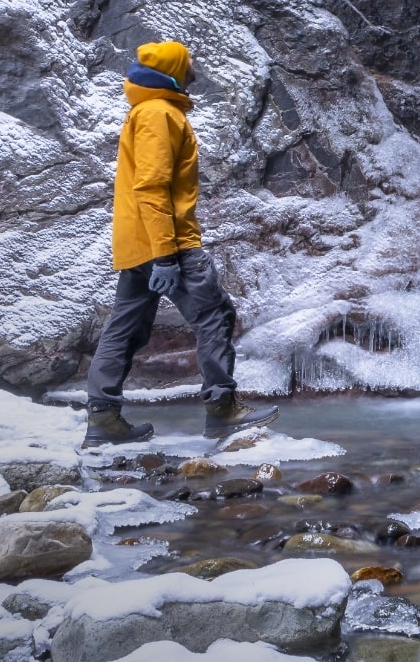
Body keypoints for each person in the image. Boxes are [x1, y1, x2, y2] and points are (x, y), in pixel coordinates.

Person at [83, 40, 279, 448]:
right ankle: (222, 411)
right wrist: (167, 258)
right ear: (173, 70)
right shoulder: (159, 113)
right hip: (168, 242)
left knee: (124, 327)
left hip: (139, 242)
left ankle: (103, 419)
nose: (195, 67)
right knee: (214, 315)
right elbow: (153, 188)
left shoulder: (146, 110)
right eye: (189, 62)